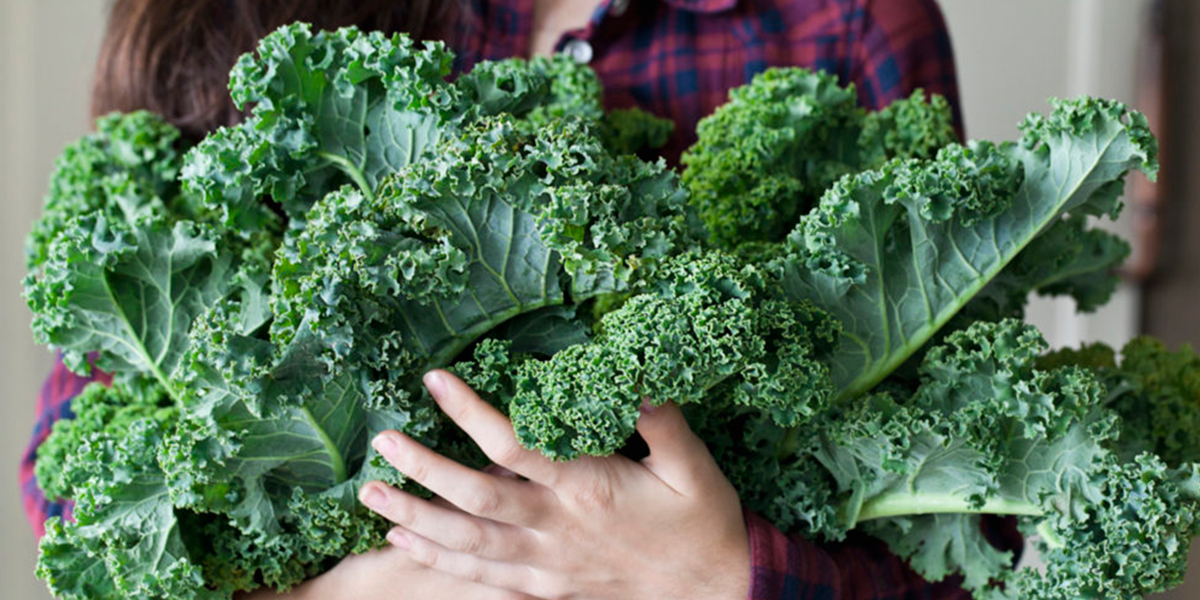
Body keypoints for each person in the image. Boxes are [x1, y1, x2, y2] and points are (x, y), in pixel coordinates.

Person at [20, 1, 1013, 599]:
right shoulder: (228, 16)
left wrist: (720, 577)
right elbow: (86, 477)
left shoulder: (841, 21)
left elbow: (978, 534)